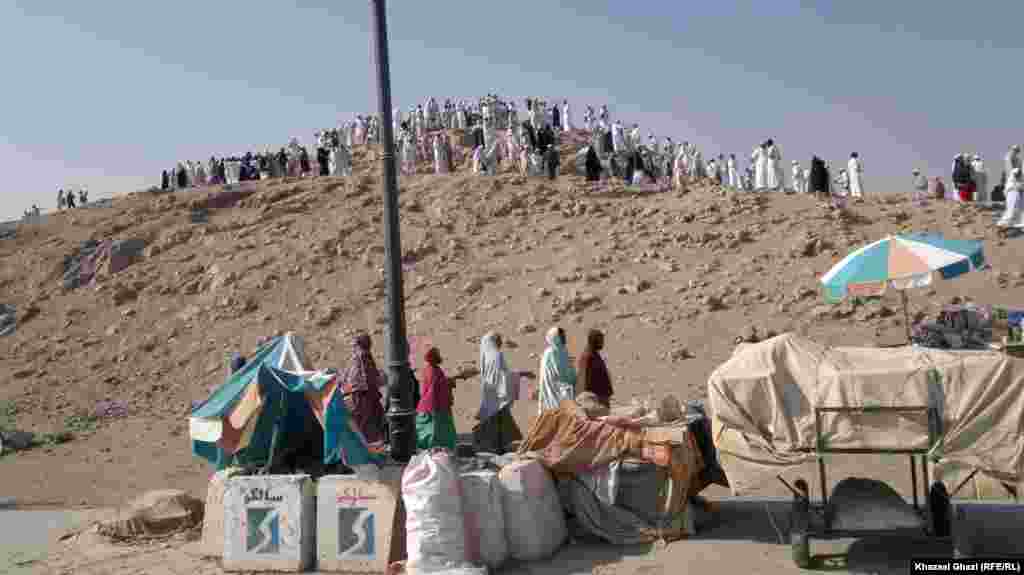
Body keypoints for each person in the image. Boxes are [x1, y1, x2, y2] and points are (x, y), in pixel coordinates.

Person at [472, 332, 523, 454]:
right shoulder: (497, 355)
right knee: (498, 421)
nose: (501, 342)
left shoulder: (486, 356)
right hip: (498, 394)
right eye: (498, 339)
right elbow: (503, 375)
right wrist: (521, 374)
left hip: (489, 393)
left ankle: (492, 446)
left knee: (494, 420)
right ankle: (495, 447)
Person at [342, 334, 386, 444]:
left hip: (363, 395)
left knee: (366, 421)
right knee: (369, 420)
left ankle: (369, 444)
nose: (353, 348)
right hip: (363, 394)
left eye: (355, 345)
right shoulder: (362, 357)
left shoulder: (362, 356)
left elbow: (365, 377)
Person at [416, 346, 457, 451]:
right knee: (438, 434)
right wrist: (450, 382)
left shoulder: (428, 370)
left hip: (426, 407)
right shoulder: (433, 370)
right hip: (436, 408)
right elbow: (436, 387)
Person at [537, 326, 576, 414]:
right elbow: (559, 373)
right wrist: (573, 378)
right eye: (562, 336)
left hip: (562, 389)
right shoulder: (552, 353)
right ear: (556, 338)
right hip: (555, 391)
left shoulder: (561, 350)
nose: (564, 338)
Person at [577, 329, 613, 408]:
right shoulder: (589, 356)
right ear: (593, 340)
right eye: (600, 340)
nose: (602, 343)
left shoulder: (593, 354)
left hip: (600, 396)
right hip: (595, 398)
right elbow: (586, 380)